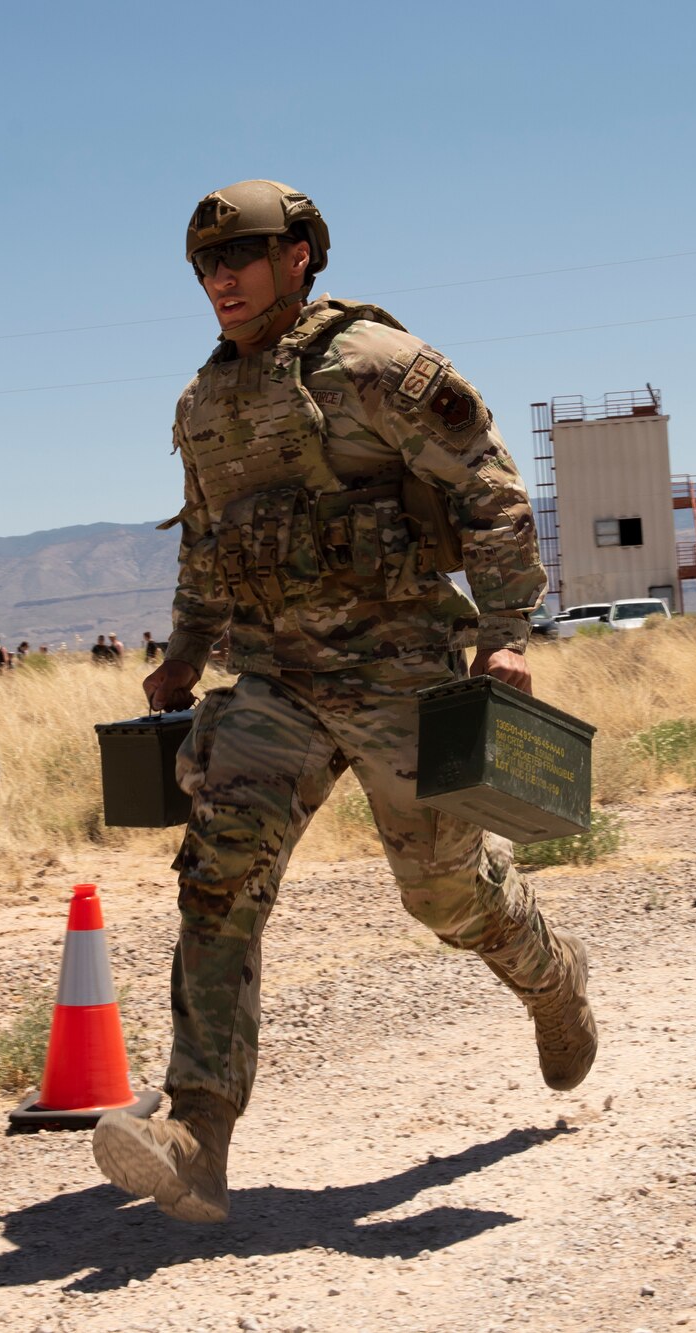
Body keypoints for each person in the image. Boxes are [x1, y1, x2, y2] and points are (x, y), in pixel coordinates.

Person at [90, 179, 595, 1225]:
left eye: (240, 256)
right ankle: (195, 1130)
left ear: (300, 256)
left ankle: (550, 977)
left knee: (442, 896)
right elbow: (203, 535)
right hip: (272, 678)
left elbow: (488, 493)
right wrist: (184, 651)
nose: (219, 279)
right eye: (203, 266)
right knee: (218, 876)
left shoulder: (370, 367)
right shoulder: (203, 401)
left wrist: (503, 636)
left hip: (400, 670)